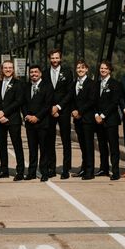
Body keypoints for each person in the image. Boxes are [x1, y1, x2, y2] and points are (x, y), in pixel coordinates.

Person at [0, 59, 25, 181]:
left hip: (13, 119)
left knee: (17, 145)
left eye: (10, 67)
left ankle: (20, 171)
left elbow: (18, 101)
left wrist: (4, 113)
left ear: (13, 69)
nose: (8, 70)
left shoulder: (18, 84)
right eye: (5, 68)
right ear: (2, 69)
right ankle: (3, 170)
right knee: (1, 145)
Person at [43, 48, 74, 179]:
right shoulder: (44, 73)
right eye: (52, 58)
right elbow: (43, 92)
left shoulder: (67, 72)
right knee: (50, 140)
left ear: (60, 58)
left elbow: (70, 92)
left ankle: (66, 169)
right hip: (49, 111)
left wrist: (59, 106)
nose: (54, 60)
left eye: (57, 58)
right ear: (49, 59)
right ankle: (51, 167)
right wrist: (51, 108)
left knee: (66, 140)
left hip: (63, 110)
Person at [64, 59, 98, 180]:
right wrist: (73, 110)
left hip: (87, 119)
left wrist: (80, 111)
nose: (80, 70)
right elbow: (71, 98)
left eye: (82, 68)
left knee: (89, 145)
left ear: (87, 69)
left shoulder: (92, 83)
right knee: (82, 146)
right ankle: (83, 169)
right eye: (78, 68)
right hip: (77, 119)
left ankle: (90, 171)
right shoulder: (74, 83)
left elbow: (92, 100)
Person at [22, 64, 53, 182]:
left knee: (44, 149)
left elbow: (47, 104)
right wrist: (27, 115)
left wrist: (37, 117)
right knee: (32, 148)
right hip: (30, 123)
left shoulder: (47, 86)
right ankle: (31, 172)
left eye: (36, 72)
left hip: (43, 123)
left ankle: (44, 172)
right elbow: (23, 103)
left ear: (40, 73)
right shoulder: (26, 86)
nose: (33, 74)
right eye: (31, 72)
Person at [95, 60, 122, 180]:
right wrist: (96, 115)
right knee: (102, 146)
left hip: (110, 120)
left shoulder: (115, 84)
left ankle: (115, 171)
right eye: (101, 68)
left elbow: (114, 102)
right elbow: (93, 101)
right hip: (98, 120)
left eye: (105, 68)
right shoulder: (96, 84)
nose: (103, 70)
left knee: (113, 146)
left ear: (110, 70)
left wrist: (103, 116)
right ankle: (104, 169)